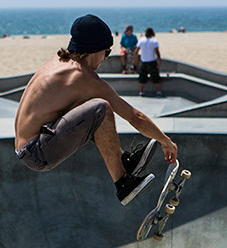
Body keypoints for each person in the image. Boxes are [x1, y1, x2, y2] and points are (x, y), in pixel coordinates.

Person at [14, 14, 178, 206]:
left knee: (92, 110)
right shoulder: (85, 79)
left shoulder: (59, 62)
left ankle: (122, 160)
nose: (105, 59)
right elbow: (135, 117)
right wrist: (165, 141)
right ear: (93, 51)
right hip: (37, 152)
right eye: (106, 52)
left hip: (29, 145)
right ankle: (123, 184)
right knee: (101, 108)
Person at [134, 27, 162, 97]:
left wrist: (135, 61)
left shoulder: (141, 40)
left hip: (144, 62)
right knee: (156, 78)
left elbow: (136, 51)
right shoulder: (154, 41)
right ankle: (158, 92)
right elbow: (157, 53)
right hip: (152, 62)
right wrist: (159, 61)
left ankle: (141, 92)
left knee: (142, 78)